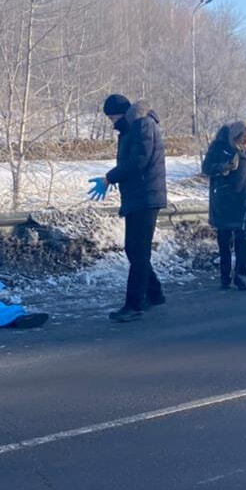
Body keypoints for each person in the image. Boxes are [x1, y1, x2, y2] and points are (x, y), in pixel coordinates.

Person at [91, 94, 167, 322]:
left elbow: (138, 161)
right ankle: (154, 293)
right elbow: (131, 162)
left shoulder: (143, 126)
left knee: (138, 250)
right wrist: (117, 178)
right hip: (138, 195)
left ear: (121, 113)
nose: (111, 122)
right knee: (134, 250)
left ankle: (133, 305)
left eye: (112, 117)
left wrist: (110, 178)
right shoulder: (131, 129)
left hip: (146, 196)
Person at [202, 121, 246, 290]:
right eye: (243, 141)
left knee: (243, 239)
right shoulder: (219, 147)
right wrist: (224, 167)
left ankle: (241, 276)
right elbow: (206, 168)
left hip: (245, 200)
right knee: (224, 239)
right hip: (224, 199)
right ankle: (225, 276)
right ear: (234, 138)